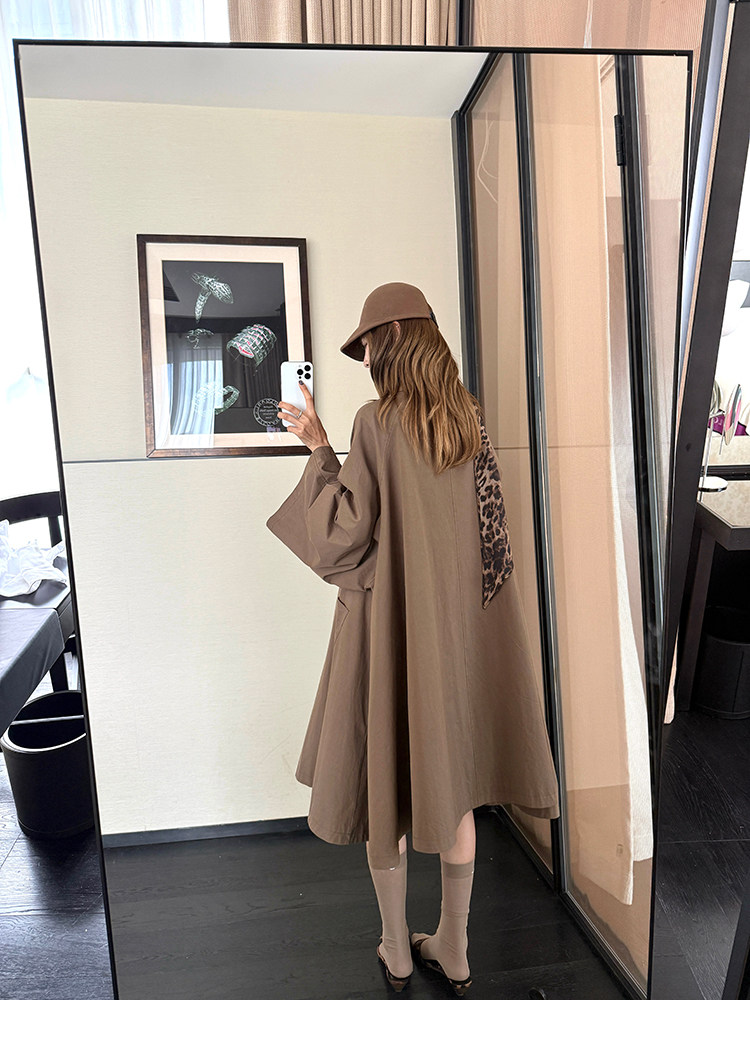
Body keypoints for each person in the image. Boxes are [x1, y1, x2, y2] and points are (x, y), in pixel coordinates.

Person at [266, 283, 560, 996]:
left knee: (387, 790)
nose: (365, 358)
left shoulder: (375, 423)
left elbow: (343, 534)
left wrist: (318, 448)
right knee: (454, 790)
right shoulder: (470, 422)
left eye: (367, 344)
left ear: (393, 337)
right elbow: (492, 544)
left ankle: (397, 950)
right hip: (460, 642)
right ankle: (454, 949)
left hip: (390, 635)